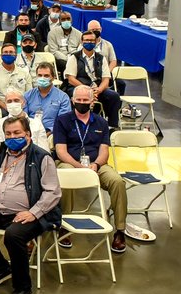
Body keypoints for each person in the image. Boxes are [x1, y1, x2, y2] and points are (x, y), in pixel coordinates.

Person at [0, 116, 61, 294]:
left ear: (27, 134)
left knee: (13, 235)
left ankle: (23, 287)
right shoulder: (0, 154)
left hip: (29, 212)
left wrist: (34, 213)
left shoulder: (41, 157)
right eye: (8, 134)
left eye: (17, 133)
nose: (12, 137)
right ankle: (1, 268)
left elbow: (53, 192)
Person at [53, 85, 128, 253]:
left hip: (96, 165)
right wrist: (79, 167)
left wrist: (95, 165)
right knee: (66, 174)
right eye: (78, 100)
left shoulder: (101, 122)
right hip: (70, 163)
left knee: (118, 182)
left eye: (85, 100)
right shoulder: (62, 120)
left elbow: (104, 151)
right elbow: (61, 151)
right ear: (72, 101)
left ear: (92, 102)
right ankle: (64, 225)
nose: (81, 103)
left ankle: (120, 230)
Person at [64, 31, 122, 128]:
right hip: (78, 87)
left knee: (114, 96)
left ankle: (112, 126)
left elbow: (106, 79)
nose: (89, 42)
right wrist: (87, 90)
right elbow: (70, 79)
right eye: (86, 40)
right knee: (79, 96)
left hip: (97, 89)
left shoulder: (101, 58)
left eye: (91, 40)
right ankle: (76, 124)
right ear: (82, 42)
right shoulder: (74, 57)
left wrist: (99, 90)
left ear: (95, 42)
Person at [0, 89, 48, 156]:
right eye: (9, 101)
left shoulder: (37, 124)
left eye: (16, 100)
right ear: (5, 104)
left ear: (24, 103)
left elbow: (44, 151)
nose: (13, 104)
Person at [23, 63, 72, 132]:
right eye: (40, 75)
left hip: (53, 132)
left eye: (46, 76)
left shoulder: (63, 97)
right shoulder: (27, 95)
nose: (42, 78)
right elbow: (23, 119)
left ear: (53, 77)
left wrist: (49, 133)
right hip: (31, 131)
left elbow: (63, 121)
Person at [0, 43, 31, 113]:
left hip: (21, 105)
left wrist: (21, 106)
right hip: (2, 106)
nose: (8, 54)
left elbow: (29, 93)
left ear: (16, 55)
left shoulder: (24, 72)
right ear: (1, 56)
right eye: (5, 52)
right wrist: (6, 107)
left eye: (11, 52)